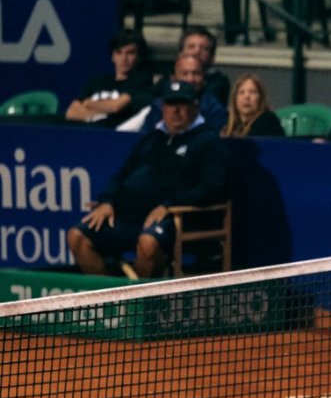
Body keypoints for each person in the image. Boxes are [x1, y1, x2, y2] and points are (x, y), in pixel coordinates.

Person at [67, 80, 230, 279]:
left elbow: (211, 187)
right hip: (129, 217)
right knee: (77, 236)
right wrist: (107, 201)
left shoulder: (208, 142)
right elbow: (121, 175)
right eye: (170, 105)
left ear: (195, 106)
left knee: (148, 243)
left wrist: (169, 205)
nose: (175, 111)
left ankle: (141, 307)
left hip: (176, 219)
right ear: (162, 108)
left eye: (182, 105)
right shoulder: (152, 139)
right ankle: (112, 300)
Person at [65, 30, 155, 128]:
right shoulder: (97, 81)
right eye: (119, 52)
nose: (124, 58)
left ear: (139, 57)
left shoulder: (142, 82)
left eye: (130, 53)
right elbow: (71, 112)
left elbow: (115, 106)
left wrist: (88, 103)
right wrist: (97, 118)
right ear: (112, 56)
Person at [121, 53, 230, 134]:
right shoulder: (159, 105)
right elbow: (147, 138)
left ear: (204, 78)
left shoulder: (215, 108)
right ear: (174, 78)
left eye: (196, 74)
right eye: (185, 73)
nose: (191, 79)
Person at [179, 27, 231, 107]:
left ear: (212, 58)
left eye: (204, 49)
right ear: (180, 54)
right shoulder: (166, 80)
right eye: (191, 47)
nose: (197, 51)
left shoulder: (218, 83)